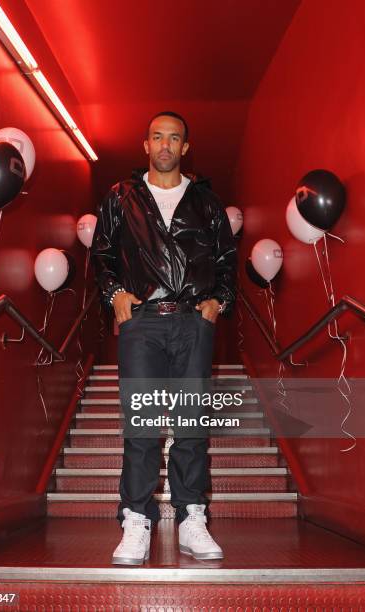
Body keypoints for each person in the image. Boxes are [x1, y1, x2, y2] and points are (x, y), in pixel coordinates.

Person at [91, 111, 237, 565]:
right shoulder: (121, 197)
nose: (166, 145)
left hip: (193, 322)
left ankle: (192, 517)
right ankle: (136, 519)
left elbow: (228, 263)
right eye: (158, 137)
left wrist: (218, 303)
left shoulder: (207, 202)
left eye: (175, 138)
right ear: (145, 144)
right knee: (142, 426)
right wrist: (114, 294)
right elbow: (101, 255)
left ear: (185, 148)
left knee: (192, 427)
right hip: (143, 324)